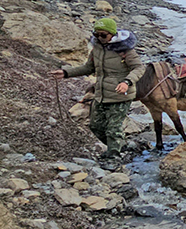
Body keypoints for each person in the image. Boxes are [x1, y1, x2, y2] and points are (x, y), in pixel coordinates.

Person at [50, 17, 145, 165]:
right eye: (96, 35)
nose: (100, 38)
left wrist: (127, 82)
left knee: (113, 128)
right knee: (95, 126)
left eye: (103, 35)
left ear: (112, 34)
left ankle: (113, 158)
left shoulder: (125, 50)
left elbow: (139, 68)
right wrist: (66, 73)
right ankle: (122, 146)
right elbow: (88, 68)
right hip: (101, 94)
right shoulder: (97, 49)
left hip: (121, 95)